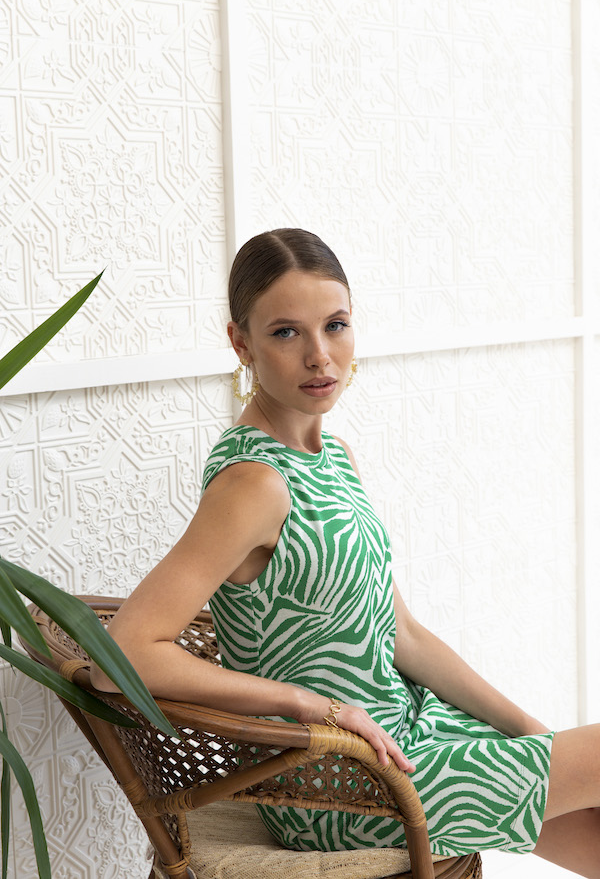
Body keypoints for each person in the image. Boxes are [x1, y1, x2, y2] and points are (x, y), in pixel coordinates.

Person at [92, 229, 600, 876]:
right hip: (333, 784)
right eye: (286, 333)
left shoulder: (335, 458)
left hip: (409, 735)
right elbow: (120, 657)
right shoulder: (253, 485)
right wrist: (305, 704)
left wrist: (532, 730)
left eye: (335, 325)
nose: (319, 356)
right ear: (241, 343)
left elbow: (404, 635)